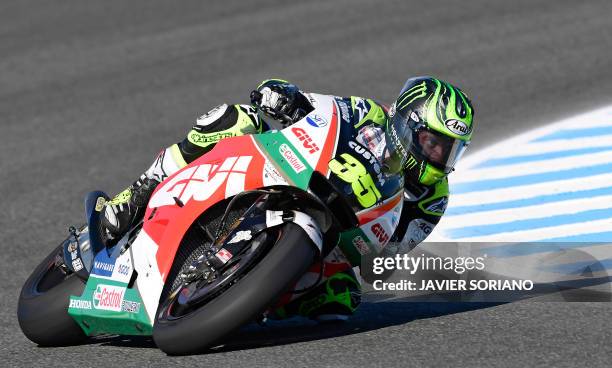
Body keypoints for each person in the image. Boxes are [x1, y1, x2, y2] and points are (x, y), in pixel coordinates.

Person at [101, 77, 474, 321]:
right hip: (295, 173)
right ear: (409, 121)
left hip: (338, 233)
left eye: (450, 150)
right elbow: (315, 106)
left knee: (341, 299)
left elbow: (389, 254)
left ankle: (247, 299)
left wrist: (379, 257)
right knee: (235, 119)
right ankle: (138, 193)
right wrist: (284, 96)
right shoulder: (367, 112)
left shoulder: (432, 199)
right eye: (434, 142)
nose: (440, 156)